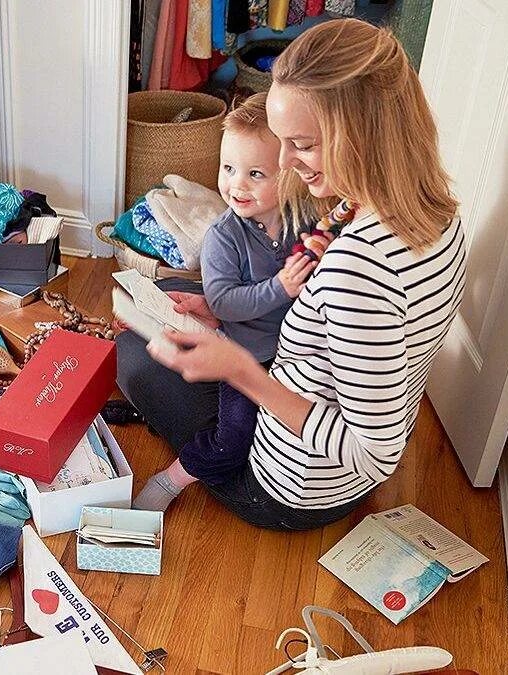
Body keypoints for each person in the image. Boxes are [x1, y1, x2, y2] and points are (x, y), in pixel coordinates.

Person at [116, 19, 466, 530]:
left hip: (289, 489)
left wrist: (239, 370)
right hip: (322, 437)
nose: (284, 162)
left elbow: (373, 454)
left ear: (359, 134)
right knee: (172, 294)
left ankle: (181, 470)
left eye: (301, 144)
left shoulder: (358, 270)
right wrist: (223, 314)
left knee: (132, 354)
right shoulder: (436, 215)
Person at [131, 92, 320, 511]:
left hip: (293, 355)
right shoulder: (223, 236)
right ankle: (172, 479)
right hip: (243, 353)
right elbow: (226, 302)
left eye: (256, 173)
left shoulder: (304, 221)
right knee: (232, 436)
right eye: (228, 168)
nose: (236, 185)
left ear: (290, 173)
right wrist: (280, 288)